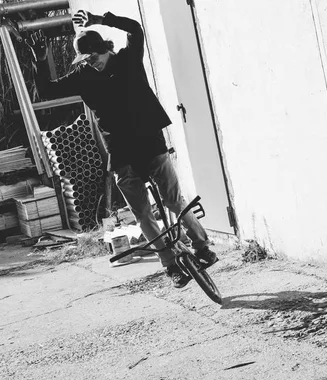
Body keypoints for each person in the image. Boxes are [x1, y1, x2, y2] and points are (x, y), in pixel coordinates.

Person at [26, 9, 218, 288]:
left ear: (106, 49)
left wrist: (101, 20)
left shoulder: (128, 59)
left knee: (174, 200)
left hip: (150, 142)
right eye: (87, 59)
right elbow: (46, 89)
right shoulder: (82, 76)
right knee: (143, 214)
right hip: (120, 152)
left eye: (97, 56)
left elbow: (136, 29)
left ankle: (202, 247)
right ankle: (171, 265)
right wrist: (40, 58)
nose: (94, 63)